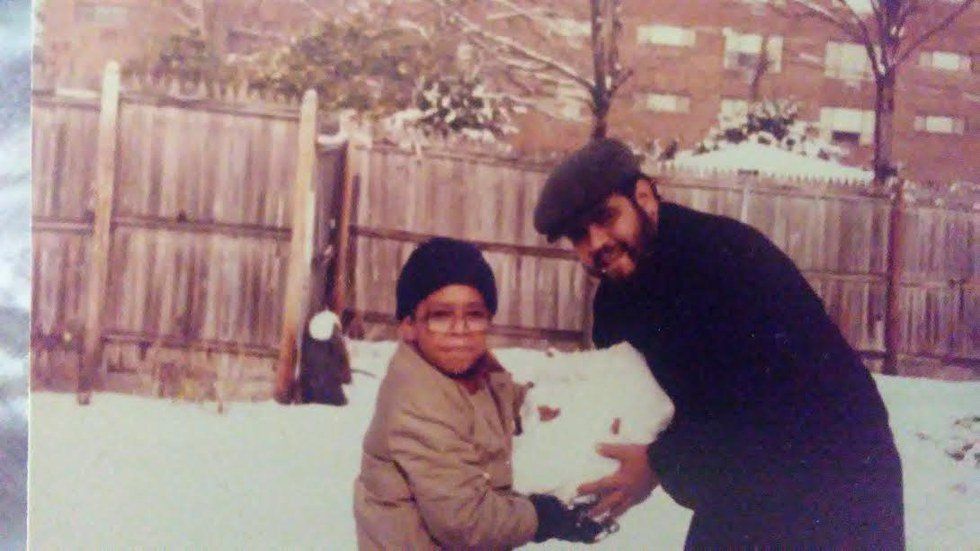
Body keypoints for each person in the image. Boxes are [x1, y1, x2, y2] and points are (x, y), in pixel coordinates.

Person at [533, 138, 905, 548]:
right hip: (743, 478)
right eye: (579, 235)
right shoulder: (615, 304)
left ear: (645, 197)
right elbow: (632, 408)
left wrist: (658, 464)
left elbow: (770, 398)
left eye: (606, 217)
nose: (597, 242)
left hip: (837, 471)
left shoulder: (727, 258)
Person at [352, 237, 605, 549]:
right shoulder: (416, 403)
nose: (460, 330)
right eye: (440, 316)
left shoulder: (474, 371)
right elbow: (465, 522)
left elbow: (506, 402)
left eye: (474, 314)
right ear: (409, 326)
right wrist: (543, 517)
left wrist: (542, 407)